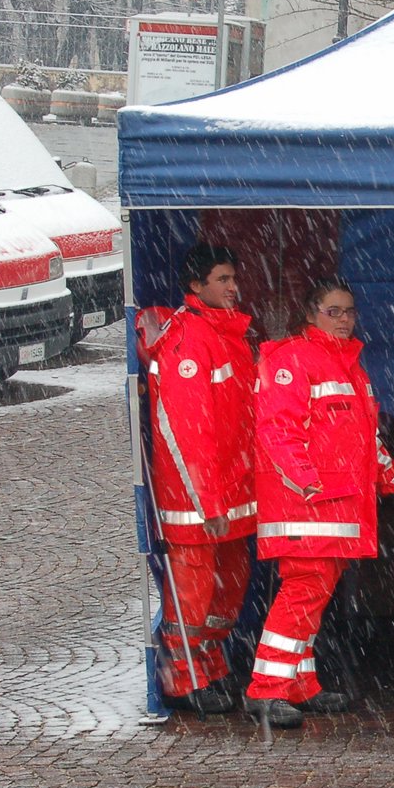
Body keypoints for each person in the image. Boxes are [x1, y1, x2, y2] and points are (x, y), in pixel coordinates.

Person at [245, 278, 394, 728]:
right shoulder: (292, 360)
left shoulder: (349, 365)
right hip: (309, 505)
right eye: (334, 311)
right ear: (312, 313)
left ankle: (298, 684)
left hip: (336, 505)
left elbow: (361, 436)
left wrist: (389, 476)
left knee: (312, 597)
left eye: (349, 311)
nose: (344, 319)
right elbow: (277, 430)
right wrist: (308, 483)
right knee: (303, 593)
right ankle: (265, 689)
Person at [146, 243, 258, 715]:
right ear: (196, 286)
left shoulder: (226, 334)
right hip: (197, 499)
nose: (233, 289)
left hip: (228, 493)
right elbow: (186, 429)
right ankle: (186, 680)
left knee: (225, 590)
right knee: (193, 595)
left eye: (233, 279)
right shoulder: (190, 340)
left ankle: (208, 669)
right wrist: (205, 499)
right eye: (223, 280)